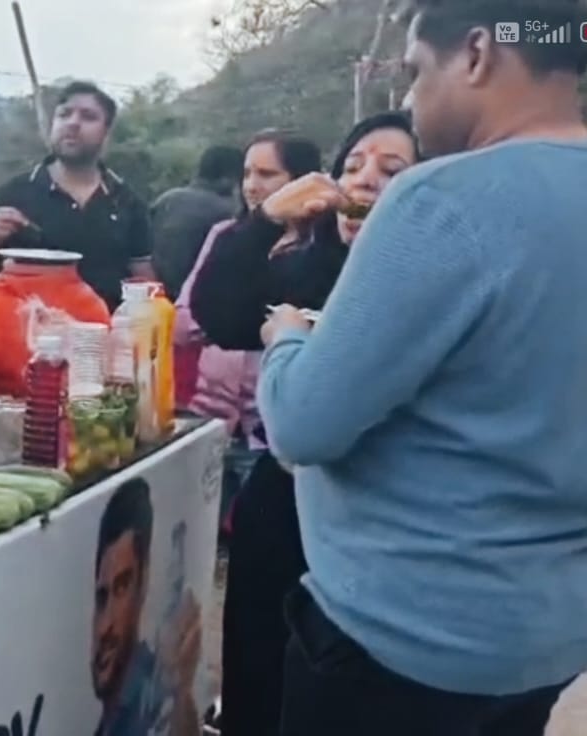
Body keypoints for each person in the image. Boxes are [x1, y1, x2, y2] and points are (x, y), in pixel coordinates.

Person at [256, 1, 587, 734]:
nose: (408, 100)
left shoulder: (443, 201)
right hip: (546, 639)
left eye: (414, 72)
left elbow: (304, 425)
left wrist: (287, 339)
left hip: (401, 638)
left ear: (476, 54)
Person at [190, 112, 419, 736]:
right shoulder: (305, 269)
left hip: (372, 527)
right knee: (257, 678)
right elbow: (219, 313)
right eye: (352, 166)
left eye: (392, 171)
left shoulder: (435, 289)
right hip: (283, 505)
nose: (363, 181)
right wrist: (266, 219)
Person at [172, 130, 322, 535]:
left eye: (267, 174)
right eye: (247, 173)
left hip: (268, 428)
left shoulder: (320, 249)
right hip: (210, 416)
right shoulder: (227, 237)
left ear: (302, 179)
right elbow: (185, 319)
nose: (252, 185)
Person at [0, 81, 156, 311]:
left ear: (106, 132)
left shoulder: (127, 203)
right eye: (64, 114)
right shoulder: (11, 196)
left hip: (104, 330)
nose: (73, 123)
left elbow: (145, 284)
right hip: (27, 329)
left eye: (88, 117)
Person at [91, 478, 200, 736]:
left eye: (121, 589)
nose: (105, 626)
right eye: (102, 598)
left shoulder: (155, 691)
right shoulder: (111, 716)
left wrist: (181, 693)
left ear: (143, 584)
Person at [149, 144, 240, 296]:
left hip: (156, 295)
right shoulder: (229, 211)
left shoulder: (166, 200)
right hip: (197, 298)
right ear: (230, 178)